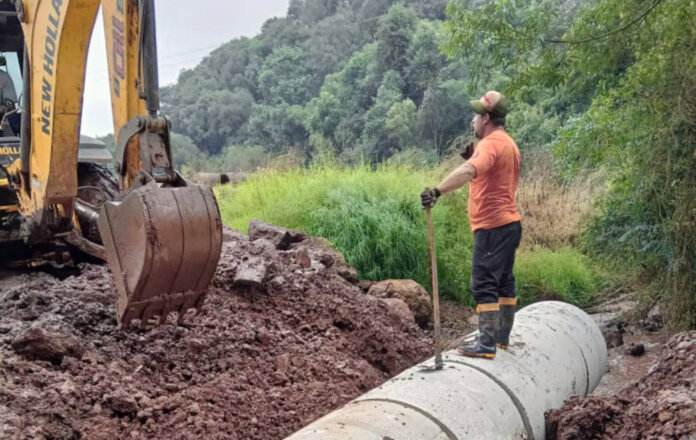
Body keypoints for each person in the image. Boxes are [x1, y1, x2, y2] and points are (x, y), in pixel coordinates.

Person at [420, 90, 522, 359]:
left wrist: (438, 191)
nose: (473, 120)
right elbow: (492, 175)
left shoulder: (490, 144)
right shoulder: (509, 144)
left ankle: (486, 343)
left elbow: (469, 172)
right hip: (510, 224)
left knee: (483, 284)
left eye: (477, 115)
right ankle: (501, 338)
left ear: (487, 118)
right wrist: (472, 159)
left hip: (492, 226)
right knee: (504, 281)